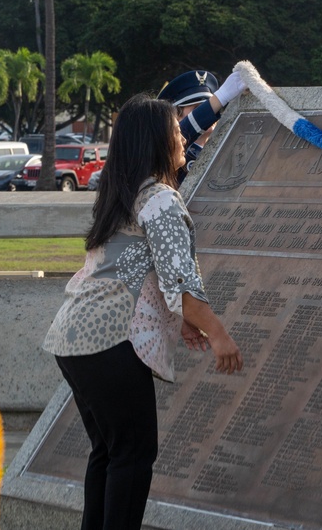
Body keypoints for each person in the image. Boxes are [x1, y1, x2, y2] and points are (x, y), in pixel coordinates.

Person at [43, 93, 243, 529]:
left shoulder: (120, 195)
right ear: (156, 142)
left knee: (111, 453)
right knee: (133, 456)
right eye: (176, 130)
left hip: (73, 340)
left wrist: (185, 321)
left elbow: (138, 268)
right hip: (110, 341)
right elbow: (182, 279)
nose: (182, 137)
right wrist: (219, 333)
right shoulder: (161, 201)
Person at [157, 68, 248, 183]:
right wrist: (221, 97)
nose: (212, 113)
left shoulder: (225, 149)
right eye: (197, 109)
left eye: (215, 107)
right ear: (175, 117)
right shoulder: (169, 153)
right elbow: (186, 129)